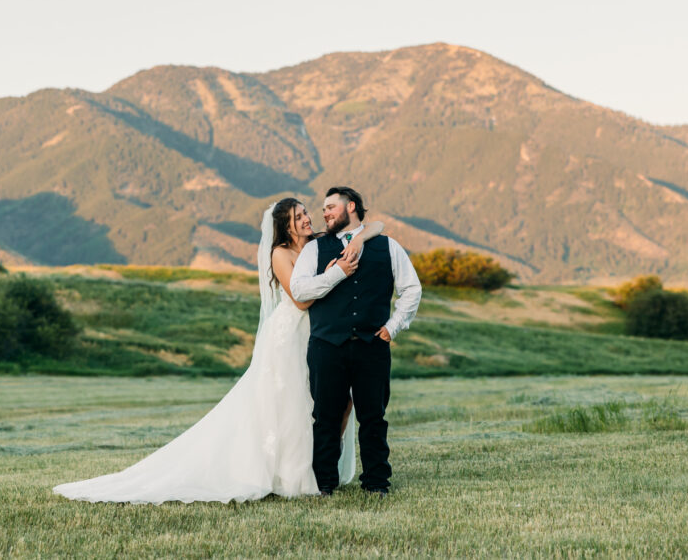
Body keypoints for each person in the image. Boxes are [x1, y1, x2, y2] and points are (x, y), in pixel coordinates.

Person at [52, 198, 384, 504]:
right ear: (285, 226)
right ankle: (296, 475)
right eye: (298, 216)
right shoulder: (281, 254)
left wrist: (356, 241)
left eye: (305, 212)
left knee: (332, 401)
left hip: (320, 333)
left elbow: (375, 227)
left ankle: (321, 467)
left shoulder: (318, 245)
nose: (307, 218)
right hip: (289, 334)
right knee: (293, 402)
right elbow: (300, 299)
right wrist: (335, 274)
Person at [290, 186, 421, 497]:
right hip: (326, 345)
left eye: (330, 207)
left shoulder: (388, 247)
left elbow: (411, 289)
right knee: (325, 417)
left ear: (350, 207)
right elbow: (300, 290)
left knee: (373, 417)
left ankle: (376, 483)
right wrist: (336, 273)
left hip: (372, 345)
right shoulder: (314, 250)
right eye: (322, 209)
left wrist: (393, 326)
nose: (324, 213)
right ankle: (324, 483)